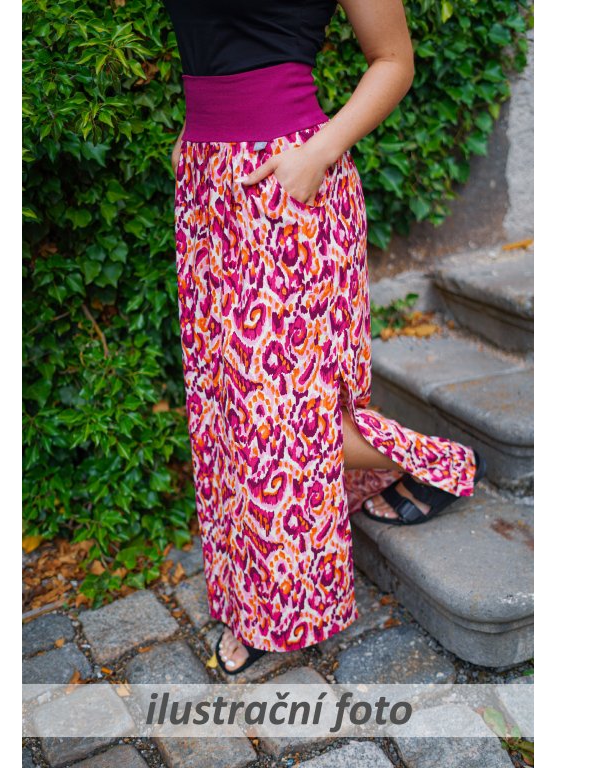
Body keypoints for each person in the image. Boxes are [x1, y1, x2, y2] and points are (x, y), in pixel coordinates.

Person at [163, 0, 485, 675]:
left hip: (290, 188)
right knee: (228, 408)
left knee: (275, 417)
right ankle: (257, 583)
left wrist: (319, 152)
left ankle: (282, 600)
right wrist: (193, 135)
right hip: (207, 187)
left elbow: (394, 60)